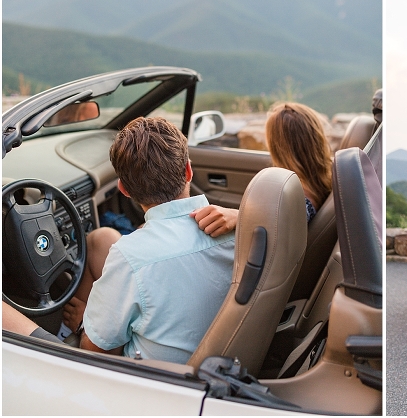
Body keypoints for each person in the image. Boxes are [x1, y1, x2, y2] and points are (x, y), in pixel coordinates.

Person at [5, 117, 236, 363]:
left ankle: (71, 330)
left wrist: (84, 324)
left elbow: (97, 353)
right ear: (188, 171)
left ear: (123, 189)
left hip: (144, 378)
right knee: (101, 238)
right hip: (215, 356)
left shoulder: (130, 257)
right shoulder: (237, 229)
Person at [191, 102, 333, 237]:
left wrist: (238, 216)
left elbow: (287, 218)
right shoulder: (321, 182)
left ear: (277, 147)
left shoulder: (300, 198)